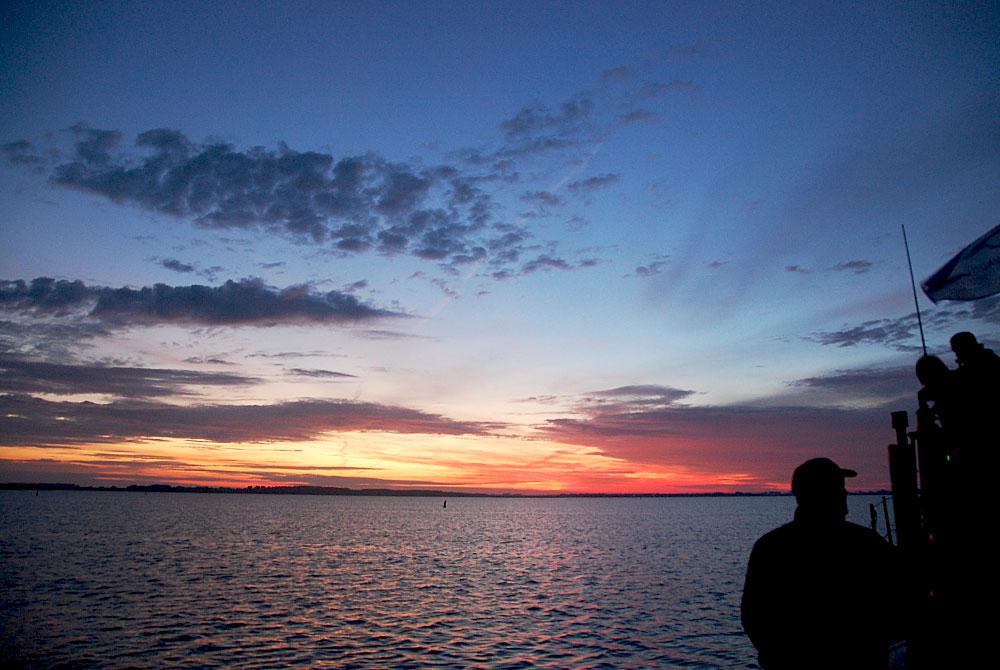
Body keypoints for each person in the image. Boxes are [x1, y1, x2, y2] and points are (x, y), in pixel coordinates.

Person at [741, 458, 903, 670]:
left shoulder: (770, 546)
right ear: (822, 494)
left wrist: (779, 656)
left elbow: (753, 616)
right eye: (838, 488)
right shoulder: (866, 543)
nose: (845, 494)